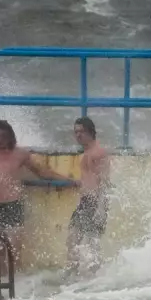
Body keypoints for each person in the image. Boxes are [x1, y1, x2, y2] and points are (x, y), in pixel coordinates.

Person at [0, 120, 77, 272]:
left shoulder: (20, 154)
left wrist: (67, 181)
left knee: (14, 250)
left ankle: (16, 288)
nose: (0, 140)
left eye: (4, 136)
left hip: (13, 205)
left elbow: (42, 172)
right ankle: (1, 284)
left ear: (10, 137)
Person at [65, 116, 111, 275]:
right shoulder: (88, 152)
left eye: (81, 132)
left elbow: (105, 182)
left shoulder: (98, 153)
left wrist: (101, 207)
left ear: (91, 132)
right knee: (73, 239)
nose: (78, 135)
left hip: (95, 202)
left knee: (91, 245)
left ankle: (94, 277)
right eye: (76, 132)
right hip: (85, 202)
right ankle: (74, 273)